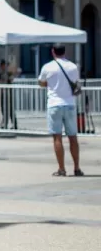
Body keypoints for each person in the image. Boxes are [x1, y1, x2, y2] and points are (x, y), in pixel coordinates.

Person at [38, 44, 83, 176]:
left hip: (54, 104)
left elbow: (41, 82)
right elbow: (76, 82)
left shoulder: (47, 67)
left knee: (57, 137)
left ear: (53, 52)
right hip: (69, 103)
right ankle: (77, 168)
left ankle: (62, 169)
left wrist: (49, 83)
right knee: (73, 137)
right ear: (65, 51)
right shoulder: (73, 67)